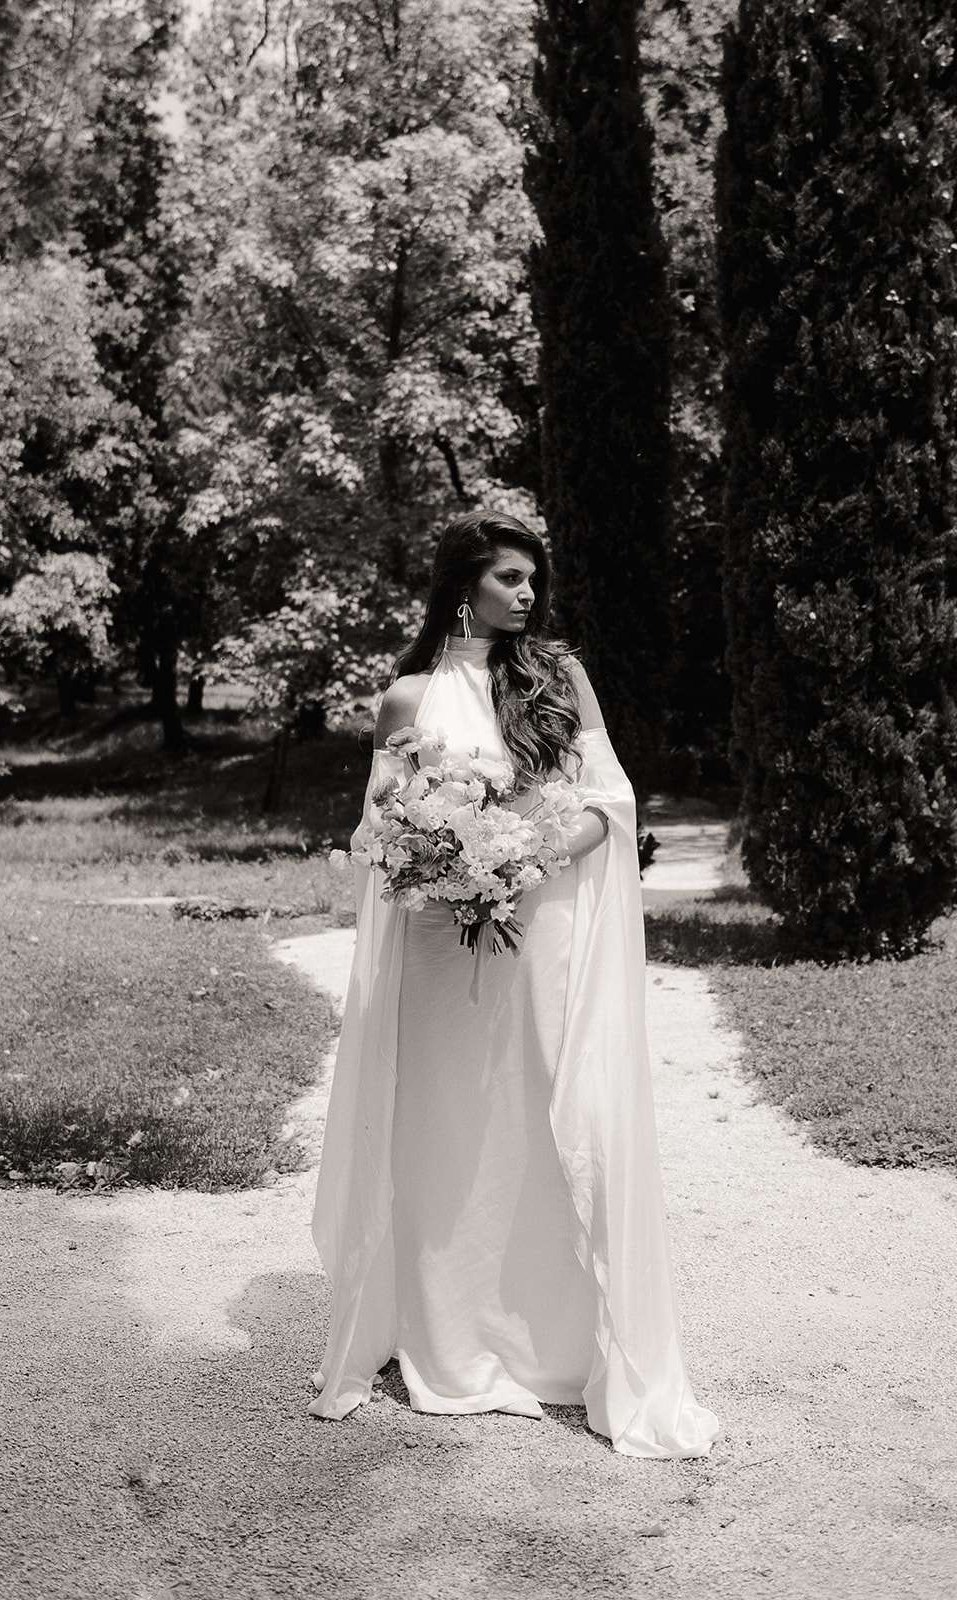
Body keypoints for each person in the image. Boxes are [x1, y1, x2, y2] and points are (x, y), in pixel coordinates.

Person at [307, 509, 720, 1460]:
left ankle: (554, 1337)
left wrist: (522, 858)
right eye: (507, 578)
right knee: (442, 1119)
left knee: (541, 1109)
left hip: (537, 926)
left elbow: (608, 799)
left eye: (532, 578)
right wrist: (436, 852)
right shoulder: (406, 698)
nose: (526, 594)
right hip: (435, 943)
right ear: (463, 583)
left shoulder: (554, 677)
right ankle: (441, 1333)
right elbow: (379, 823)